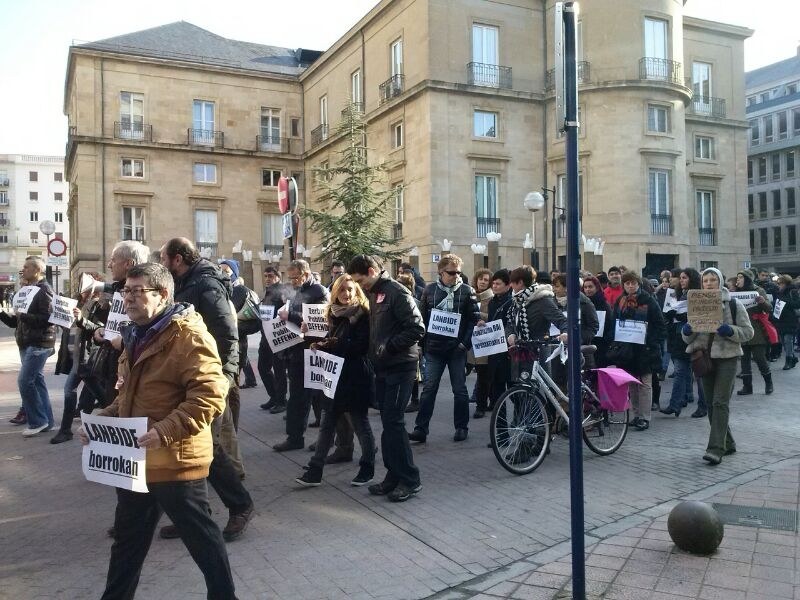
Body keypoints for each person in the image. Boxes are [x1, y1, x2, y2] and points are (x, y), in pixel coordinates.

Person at [79, 262, 238, 599]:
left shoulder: (189, 335)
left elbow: (209, 396)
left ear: (163, 294)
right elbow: (128, 395)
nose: (128, 298)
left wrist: (165, 431)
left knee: (201, 539)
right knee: (127, 541)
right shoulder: (135, 334)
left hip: (176, 461)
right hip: (136, 461)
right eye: (126, 291)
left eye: (137, 291)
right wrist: (102, 421)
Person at [160, 237, 254, 542]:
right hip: (187, 375)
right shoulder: (185, 282)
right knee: (187, 446)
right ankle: (194, 513)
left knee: (207, 447)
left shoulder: (206, 284)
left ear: (177, 259)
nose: (162, 264)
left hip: (208, 376)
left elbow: (227, 332)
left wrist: (222, 377)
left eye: (163, 259)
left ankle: (240, 505)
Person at [348, 254, 425, 502]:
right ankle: (394, 475)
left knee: (394, 422)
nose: (360, 285)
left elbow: (417, 328)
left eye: (361, 280)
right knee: (388, 423)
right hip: (382, 366)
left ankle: (410, 479)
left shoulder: (396, 292)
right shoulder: (375, 293)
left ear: (372, 271)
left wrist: (390, 346)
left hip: (401, 366)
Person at [295, 274, 376, 487]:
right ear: (335, 292)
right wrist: (311, 338)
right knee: (327, 424)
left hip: (355, 377)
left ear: (356, 291)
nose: (346, 293)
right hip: (334, 377)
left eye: (350, 289)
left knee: (360, 424)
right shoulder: (331, 313)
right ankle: (315, 470)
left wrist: (333, 343)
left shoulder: (363, 314)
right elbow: (326, 341)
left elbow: (361, 346)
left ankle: (367, 467)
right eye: (342, 289)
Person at [682, 267, 753, 465]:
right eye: (705, 281)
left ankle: (715, 449)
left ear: (720, 281)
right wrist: (686, 331)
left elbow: (748, 332)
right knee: (710, 403)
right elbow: (688, 338)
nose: (709, 284)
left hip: (727, 358)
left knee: (720, 402)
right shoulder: (696, 303)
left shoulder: (733, 304)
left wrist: (730, 330)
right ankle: (728, 442)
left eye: (713, 280)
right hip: (704, 358)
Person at [409, 254, 480, 443]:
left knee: (460, 390)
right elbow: (422, 319)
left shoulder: (467, 291)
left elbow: (473, 320)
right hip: (434, 349)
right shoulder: (429, 290)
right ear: (441, 271)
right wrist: (422, 345)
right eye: (451, 272)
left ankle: (461, 427)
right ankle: (420, 429)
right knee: (429, 389)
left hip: (457, 349)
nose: (456, 276)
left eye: (458, 273)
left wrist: (464, 344)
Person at [272, 259, 329, 451]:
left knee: (319, 397)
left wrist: (290, 316)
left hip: (313, 350)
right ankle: (295, 437)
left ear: (306, 274)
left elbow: (319, 322)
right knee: (297, 396)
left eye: (295, 278)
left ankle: (326, 439)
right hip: (297, 350)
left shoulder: (319, 292)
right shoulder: (298, 291)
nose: (292, 281)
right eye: (290, 278)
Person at [0, 257, 56, 436]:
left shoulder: (44, 290)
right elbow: (16, 322)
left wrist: (23, 316)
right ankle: (47, 421)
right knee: (37, 382)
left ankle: (37, 421)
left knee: (25, 381)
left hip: (39, 343)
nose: (22, 269)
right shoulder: (27, 290)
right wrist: (2, 313)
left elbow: (48, 319)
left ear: (37, 270)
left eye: (26, 267)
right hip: (27, 343)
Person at [610, 272, 666, 431]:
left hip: (645, 348)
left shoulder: (648, 300)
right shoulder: (620, 300)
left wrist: (651, 341)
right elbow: (615, 322)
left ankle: (645, 417)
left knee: (645, 383)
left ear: (638, 284)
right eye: (627, 283)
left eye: (633, 283)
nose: (630, 286)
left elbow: (659, 324)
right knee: (632, 383)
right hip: (627, 349)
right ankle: (636, 415)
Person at [660, 268, 701, 417]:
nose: (681, 280)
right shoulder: (678, 293)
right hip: (678, 336)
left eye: (685, 278)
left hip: (694, 337)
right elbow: (670, 312)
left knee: (698, 373)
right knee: (680, 371)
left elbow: (700, 316)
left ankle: (702, 404)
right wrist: (670, 315)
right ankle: (676, 403)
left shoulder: (698, 295)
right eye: (681, 278)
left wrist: (681, 316)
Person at [219, 259, 258, 393]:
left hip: (237, 343)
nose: (222, 274)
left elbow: (255, 323)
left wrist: (235, 328)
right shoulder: (220, 289)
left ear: (234, 274)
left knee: (231, 386)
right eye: (220, 270)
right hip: (224, 343)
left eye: (226, 271)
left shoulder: (240, 291)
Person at [734, 269, 774, 396]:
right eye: (737, 277)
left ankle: (769, 383)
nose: (738, 280)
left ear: (747, 279)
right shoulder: (735, 293)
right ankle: (747, 387)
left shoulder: (758, 290)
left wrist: (762, 302)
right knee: (744, 361)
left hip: (756, 330)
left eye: (741, 277)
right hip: (742, 330)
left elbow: (769, 308)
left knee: (759, 358)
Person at [258, 266, 291, 413]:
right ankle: (274, 396)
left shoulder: (283, 291)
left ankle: (281, 401)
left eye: (270, 276)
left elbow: (288, 311)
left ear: (278, 276)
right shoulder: (267, 292)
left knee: (279, 371)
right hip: (265, 337)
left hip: (278, 337)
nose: (267, 279)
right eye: (265, 276)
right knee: (262, 368)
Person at [467, 268, 494, 418]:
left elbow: (493, 317)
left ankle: (481, 406)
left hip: (485, 341)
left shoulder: (491, 297)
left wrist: (479, 315)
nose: (483, 282)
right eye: (480, 279)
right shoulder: (471, 295)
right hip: (470, 340)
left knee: (484, 375)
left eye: (486, 280)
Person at [582, 275, 613, 367]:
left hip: (601, 344)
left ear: (597, 287)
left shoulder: (604, 304)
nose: (588, 289)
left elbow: (609, 324)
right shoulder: (581, 303)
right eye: (585, 287)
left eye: (590, 287)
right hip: (586, 342)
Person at [774, 274, 800, 370]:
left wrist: (785, 302)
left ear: (785, 283)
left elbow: (797, 304)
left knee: (788, 340)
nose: (779, 285)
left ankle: (788, 360)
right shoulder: (779, 292)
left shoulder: (793, 291)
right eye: (778, 283)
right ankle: (793, 358)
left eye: (780, 283)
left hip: (791, 320)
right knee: (783, 341)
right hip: (781, 320)